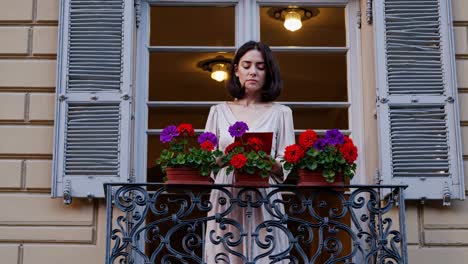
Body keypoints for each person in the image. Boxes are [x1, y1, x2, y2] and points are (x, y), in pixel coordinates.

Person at [203, 41, 295, 264]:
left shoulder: (281, 113)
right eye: (246, 65)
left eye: (260, 67)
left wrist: (269, 162)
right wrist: (224, 158)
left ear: (268, 72)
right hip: (226, 196)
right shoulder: (218, 111)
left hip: (265, 199)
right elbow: (206, 157)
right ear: (236, 70)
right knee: (224, 256)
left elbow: (288, 160)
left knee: (267, 255)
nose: (253, 71)